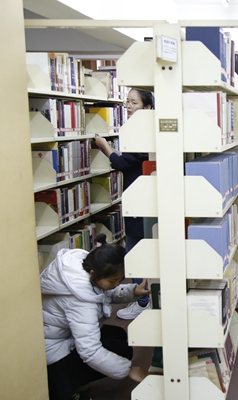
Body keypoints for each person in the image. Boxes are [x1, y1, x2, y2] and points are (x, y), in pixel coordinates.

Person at [40, 233, 150, 400]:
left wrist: (132, 291)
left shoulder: (85, 267)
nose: (116, 285)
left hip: (63, 335)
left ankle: (70, 382)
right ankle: (63, 389)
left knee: (118, 336)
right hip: (53, 350)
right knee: (117, 349)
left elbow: (102, 293)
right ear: (93, 274)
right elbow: (89, 351)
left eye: (120, 280)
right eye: (112, 281)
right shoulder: (80, 302)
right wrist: (129, 369)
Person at [94, 88, 153, 320]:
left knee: (135, 252)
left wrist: (105, 146)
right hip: (141, 199)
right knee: (137, 251)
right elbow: (130, 160)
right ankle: (146, 298)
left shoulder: (142, 132)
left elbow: (122, 163)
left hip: (141, 202)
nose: (128, 106)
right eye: (127, 102)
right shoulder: (140, 130)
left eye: (134, 103)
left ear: (148, 108)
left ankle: (143, 300)